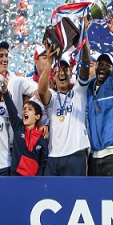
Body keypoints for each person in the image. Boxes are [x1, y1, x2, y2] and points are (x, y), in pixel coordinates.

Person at [38, 37, 91, 176]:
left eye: (65, 69)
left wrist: (83, 37)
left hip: (76, 153)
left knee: (76, 196)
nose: (61, 72)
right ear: (53, 77)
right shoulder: (52, 97)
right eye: (58, 70)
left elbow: (85, 62)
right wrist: (49, 62)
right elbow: (41, 91)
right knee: (50, 197)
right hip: (54, 156)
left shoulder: (79, 91)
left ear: (71, 73)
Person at [87, 13, 113, 176]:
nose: (103, 68)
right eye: (100, 64)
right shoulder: (88, 89)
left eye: (107, 65)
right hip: (94, 157)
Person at [0, 78, 48, 176]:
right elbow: (12, 110)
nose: (25, 111)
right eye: (24, 109)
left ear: (37, 116)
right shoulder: (18, 126)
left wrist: (38, 180)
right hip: (15, 178)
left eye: (30, 109)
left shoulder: (42, 137)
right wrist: (5, 92)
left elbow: (43, 163)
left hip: (33, 180)